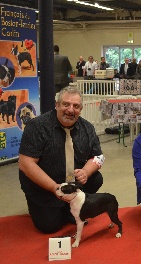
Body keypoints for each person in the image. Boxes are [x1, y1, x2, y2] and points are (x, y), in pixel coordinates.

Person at [18, 86, 104, 233]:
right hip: (44, 188)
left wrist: (85, 171)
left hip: (71, 185)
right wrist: (54, 188)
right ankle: (45, 207)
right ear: (56, 105)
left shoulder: (88, 128)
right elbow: (26, 164)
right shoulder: (37, 127)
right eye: (66, 104)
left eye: (76, 106)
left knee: (96, 179)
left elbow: (98, 156)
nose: (71, 110)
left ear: (81, 109)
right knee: (50, 226)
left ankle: (69, 207)